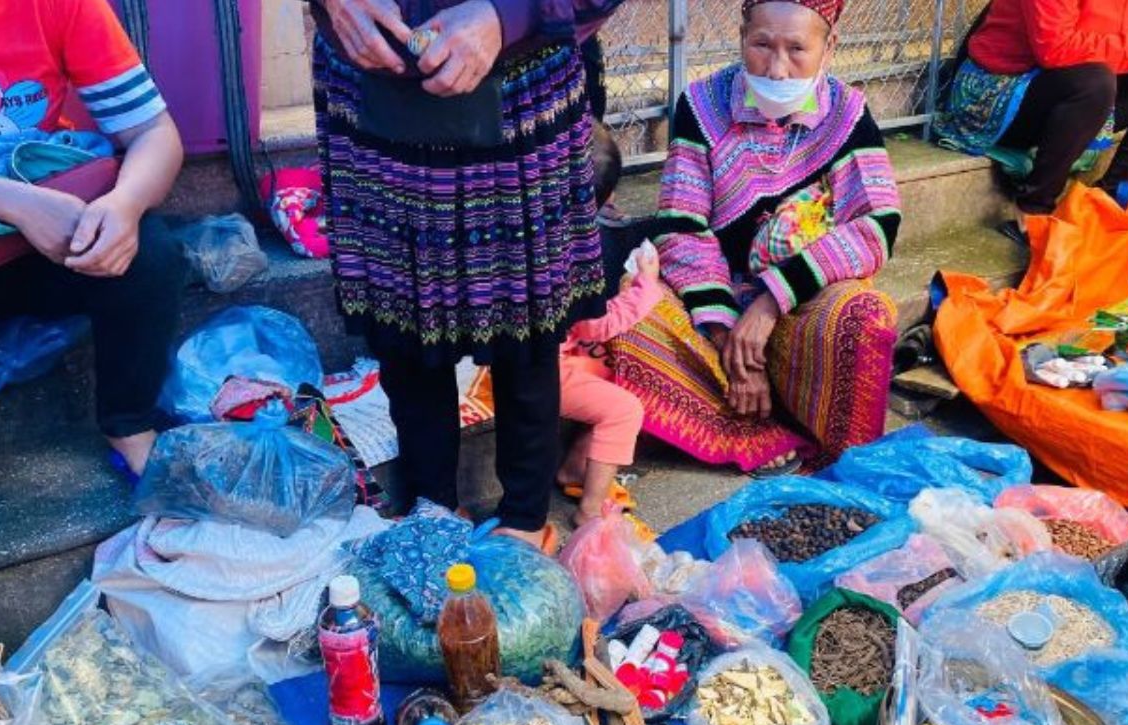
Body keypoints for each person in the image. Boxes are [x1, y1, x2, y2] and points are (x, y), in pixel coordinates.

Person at [311, 0, 623, 548]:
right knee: (400, 321)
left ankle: (526, 523)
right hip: (368, 88)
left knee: (526, 328)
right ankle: (432, 511)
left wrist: (510, 14)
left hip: (519, 82)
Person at [0, 0, 186, 569]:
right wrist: (18, 203)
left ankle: (130, 424)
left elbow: (153, 132)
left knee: (151, 255)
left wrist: (123, 204)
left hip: (32, 247)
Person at [610, 0, 903, 475]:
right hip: (712, 307)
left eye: (797, 50)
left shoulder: (848, 114)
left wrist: (768, 304)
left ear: (830, 48)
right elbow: (681, 225)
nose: (778, 68)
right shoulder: (702, 104)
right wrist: (730, 335)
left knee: (865, 315)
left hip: (798, 305)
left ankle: (816, 434)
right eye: (761, 45)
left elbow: (876, 226)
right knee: (632, 316)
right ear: (742, 34)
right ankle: (748, 423)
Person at [938, 0, 1128, 223]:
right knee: (1095, 81)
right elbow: (1056, 49)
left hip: (1072, 89)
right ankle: (1033, 210)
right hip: (996, 93)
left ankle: (1106, 207)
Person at [559, 240, 661, 527]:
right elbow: (596, 324)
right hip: (537, 368)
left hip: (515, 357)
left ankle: (576, 466)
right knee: (624, 409)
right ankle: (590, 509)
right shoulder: (561, 254)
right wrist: (646, 285)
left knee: (609, 369)